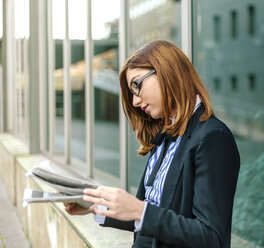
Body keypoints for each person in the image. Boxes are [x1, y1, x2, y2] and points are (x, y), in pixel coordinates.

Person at [64, 40, 241, 248]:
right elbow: (151, 215)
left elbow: (210, 237)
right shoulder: (165, 136)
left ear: (167, 72)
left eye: (137, 86)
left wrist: (140, 210)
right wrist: (96, 206)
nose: (135, 102)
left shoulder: (213, 137)